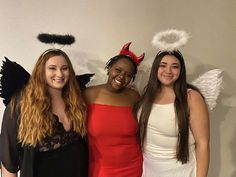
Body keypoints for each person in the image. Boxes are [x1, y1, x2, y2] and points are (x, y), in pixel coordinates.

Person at [0, 49, 88, 177]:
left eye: (64, 68)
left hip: (77, 170)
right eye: (52, 68)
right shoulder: (21, 103)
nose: (59, 73)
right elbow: (9, 155)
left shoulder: (76, 98)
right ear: (41, 71)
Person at [134, 50, 210, 177]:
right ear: (155, 68)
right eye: (163, 65)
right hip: (150, 169)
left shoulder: (191, 98)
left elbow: (203, 144)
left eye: (175, 66)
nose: (168, 71)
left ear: (181, 71)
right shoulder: (147, 95)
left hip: (180, 171)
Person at [84, 42, 144, 177]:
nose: (122, 77)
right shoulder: (89, 94)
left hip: (133, 168)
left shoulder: (134, 96)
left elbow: (142, 132)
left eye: (128, 75)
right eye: (118, 70)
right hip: (99, 169)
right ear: (109, 68)